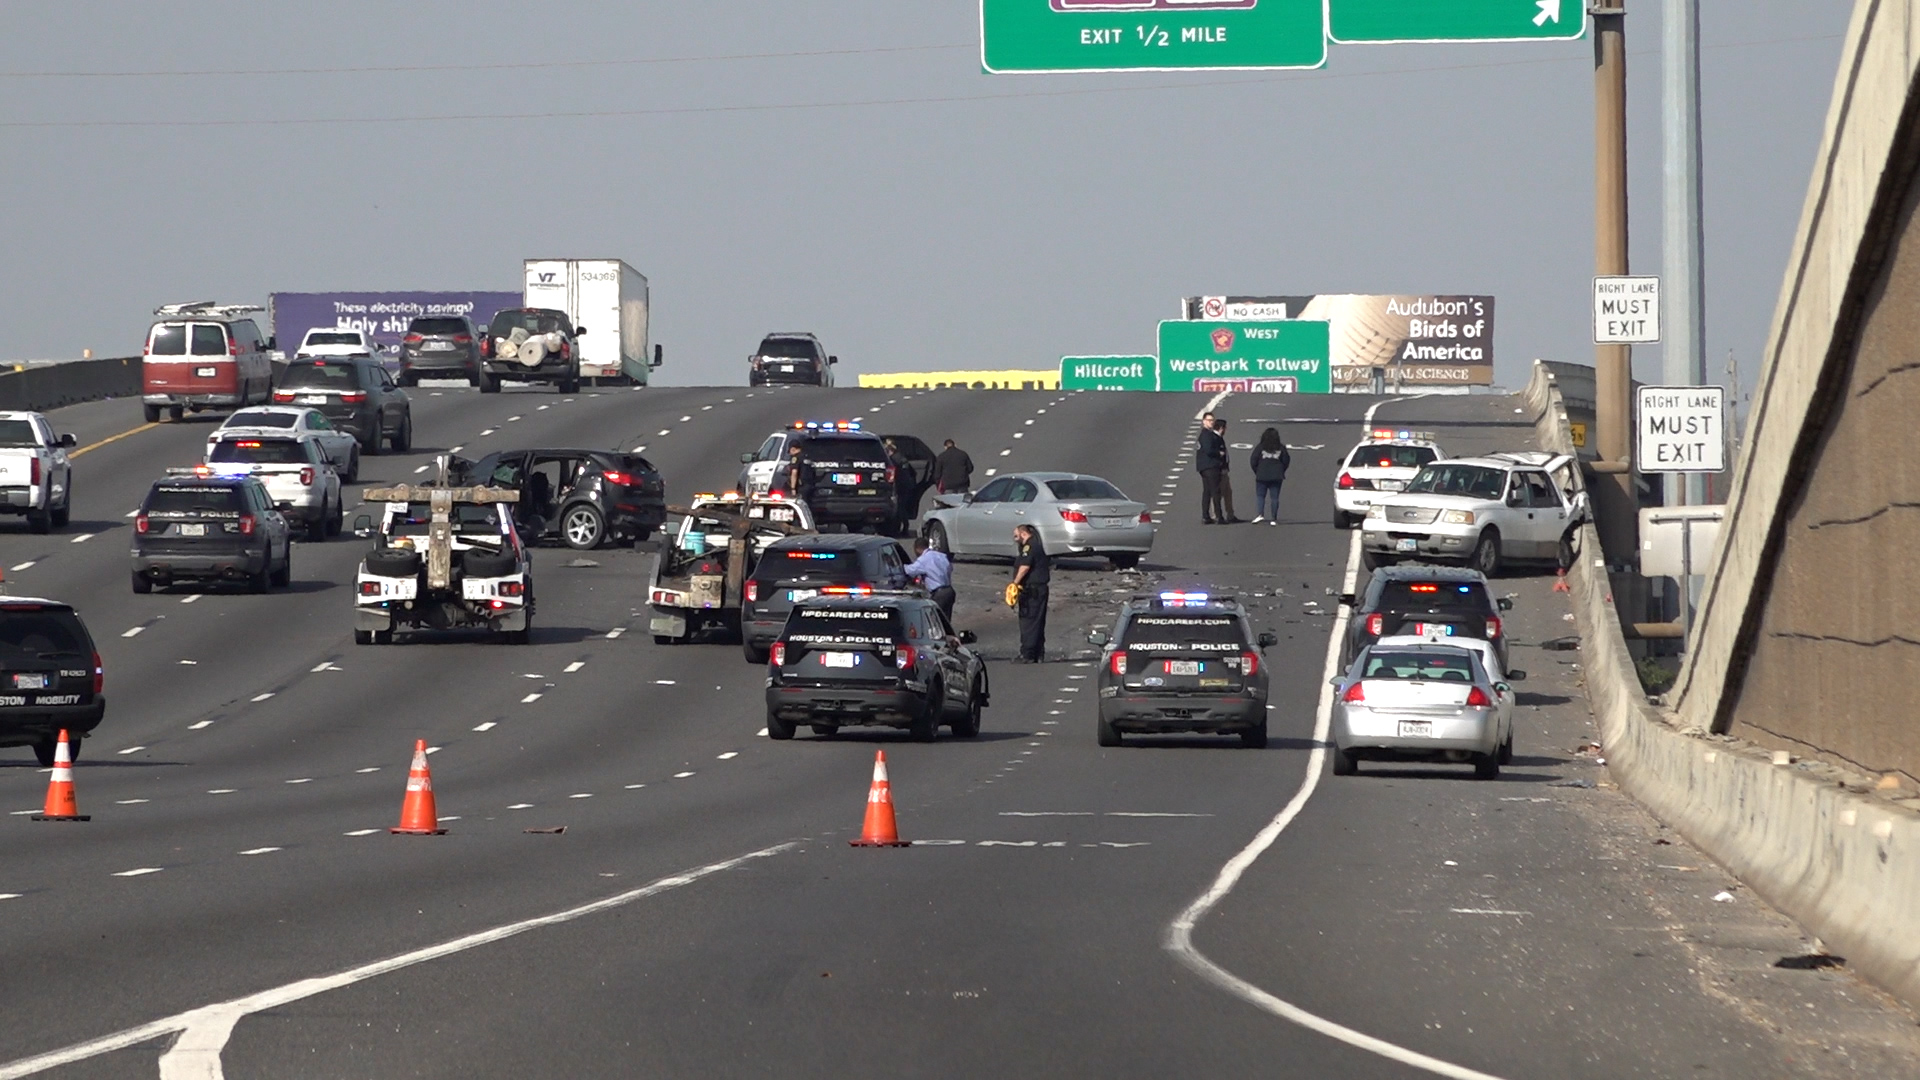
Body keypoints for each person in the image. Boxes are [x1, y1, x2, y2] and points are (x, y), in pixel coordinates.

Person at [1010, 523, 1050, 662]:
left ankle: (1027, 654)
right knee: (1038, 620)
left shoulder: (1029, 547)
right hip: (1040, 589)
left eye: (1016, 536)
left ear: (1023, 534)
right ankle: (1038, 653)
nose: (1015, 539)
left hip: (1032, 590)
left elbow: (1025, 567)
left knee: (1029, 621)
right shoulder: (1036, 545)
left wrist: (1015, 583)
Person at [904, 536, 955, 619]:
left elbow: (909, 571)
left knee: (933, 621)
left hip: (939, 594)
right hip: (949, 591)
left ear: (917, 548)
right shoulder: (942, 556)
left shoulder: (923, 559)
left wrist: (897, 565)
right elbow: (950, 568)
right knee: (945, 622)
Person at [1249, 427, 1291, 525]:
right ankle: (1273, 518)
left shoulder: (1260, 447)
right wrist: (1281, 470)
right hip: (1276, 476)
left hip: (1262, 475)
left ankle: (1260, 514)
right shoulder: (1281, 448)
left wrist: (1257, 471)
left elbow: (1253, 460)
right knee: (1275, 497)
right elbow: (1286, 460)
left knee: (1260, 496)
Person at [1196, 413, 1228, 525]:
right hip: (1210, 466)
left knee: (1207, 491)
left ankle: (1206, 516)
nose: (1211, 422)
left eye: (1212, 420)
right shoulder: (1207, 435)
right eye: (1209, 420)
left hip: (1204, 466)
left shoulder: (1206, 434)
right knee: (1215, 491)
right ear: (1203, 421)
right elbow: (1209, 450)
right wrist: (1219, 453)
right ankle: (1219, 516)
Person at [1212, 417, 1243, 523]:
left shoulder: (1219, 438)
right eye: (1225, 428)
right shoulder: (1215, 438)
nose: (1225, 430)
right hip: (1219, 471)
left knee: (1228, 493)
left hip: (1224, 470)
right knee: (1218, 493)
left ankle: (1230, 514)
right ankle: (1216, 514)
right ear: (1221, 428)